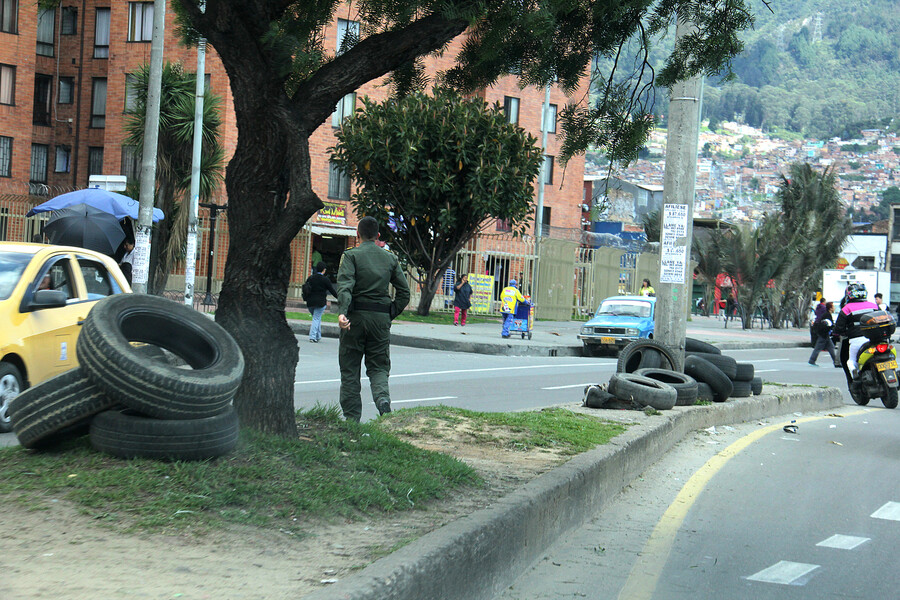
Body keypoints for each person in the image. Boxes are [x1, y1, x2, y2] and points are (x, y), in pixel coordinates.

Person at [336, 216, 410, 421]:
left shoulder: (351, 256)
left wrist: (343, 312)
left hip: (355, 319)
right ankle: (383, 401)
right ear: (378, 236)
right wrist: (389, 314)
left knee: (350, 369)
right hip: (380, 319)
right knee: (378, 367)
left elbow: (345, 285)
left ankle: (352, 421)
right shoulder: (390, 258)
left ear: (357, 234)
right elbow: (404, 293)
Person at [833, 282, 878, 390]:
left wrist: (838, 333)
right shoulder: (874, 306)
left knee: (851, 361)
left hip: (857, 340)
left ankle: (856, 379)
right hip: (877, 338)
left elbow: (839, 328)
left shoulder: (847, 308)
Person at [304, 261, 337, 343]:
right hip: (320, 302)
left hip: (310, 302)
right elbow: (332, 290)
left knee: (316, 318)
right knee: (316, 318)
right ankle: (312, 337)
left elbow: (305, 288)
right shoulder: (325, 280)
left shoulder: (310, 278)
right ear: (324, 270)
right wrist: (339, 298)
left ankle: (318, 336)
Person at [808, 302, 838, 367]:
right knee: (818, 348)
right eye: (833, 307)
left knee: (831, 347)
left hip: (825, 335)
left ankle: (836, 362)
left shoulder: (827, 314)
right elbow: (826, 325)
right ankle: (812, 360)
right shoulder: (827, 315)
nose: (834, 308)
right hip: (823, 335)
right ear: (830, 308)